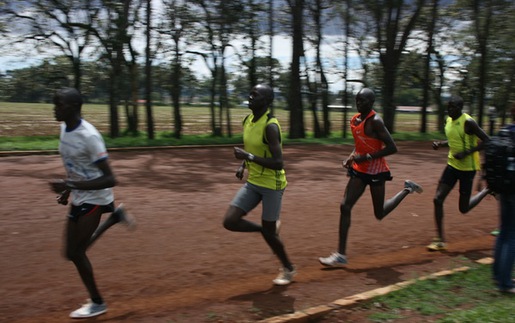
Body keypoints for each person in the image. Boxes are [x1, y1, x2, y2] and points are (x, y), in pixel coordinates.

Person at [48, 87, 135, 319]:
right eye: (54, 104)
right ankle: (115, 218)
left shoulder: (89, 136)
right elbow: (75, 166)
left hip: (96, 198)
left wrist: (69, 185)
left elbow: (110, 178)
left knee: (77, 253)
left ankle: (97, 302)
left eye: (60, 105)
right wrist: (68, 189)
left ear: (75, 108)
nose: (55, 109)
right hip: (79, 195)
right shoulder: (64, 129)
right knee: (71, 252)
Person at [319, 88, 423, 267]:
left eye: (363, 101)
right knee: (345, 206)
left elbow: (392, 147)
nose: (359, 104)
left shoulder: (376, 121)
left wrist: (366, 157)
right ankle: (341, 255)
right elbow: (360, 145)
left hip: (376, 171)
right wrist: (351, 158)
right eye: (357, 100)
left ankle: (407, 189)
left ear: (372, 102)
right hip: (360, 170)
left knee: (379, 213)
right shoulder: (354, 120)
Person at [223, 84, 296, 285]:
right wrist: (243, 164)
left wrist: (248, 156)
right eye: (251, 93)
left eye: (255, 95)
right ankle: (265, 230)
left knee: (271, 234)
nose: (250, 96)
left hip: (272, 184)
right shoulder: (248, 120)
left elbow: (278, 162)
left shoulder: (270, 126)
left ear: (266, 101)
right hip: (254, 182)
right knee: (230, 221)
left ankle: (288, 269)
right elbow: (255, 149)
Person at [427, 95, 491, 251]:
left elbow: (487, 140)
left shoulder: (468, 122)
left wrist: (467, 153)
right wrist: (441, 144)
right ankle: (440, 240)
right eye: (448, 106)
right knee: (437, 199)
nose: (449, 109)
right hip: (452, 165)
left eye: (453, 107)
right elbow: (453, 140)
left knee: (463, 208)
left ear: (460, 108)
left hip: (467, 169)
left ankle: (487, 190)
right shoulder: (449, 120)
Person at [492, 105, 515, 294]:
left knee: (504, 230)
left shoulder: (504, 131)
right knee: (512, 235)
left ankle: (497, 274)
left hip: (504, 187)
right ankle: (505, 283)